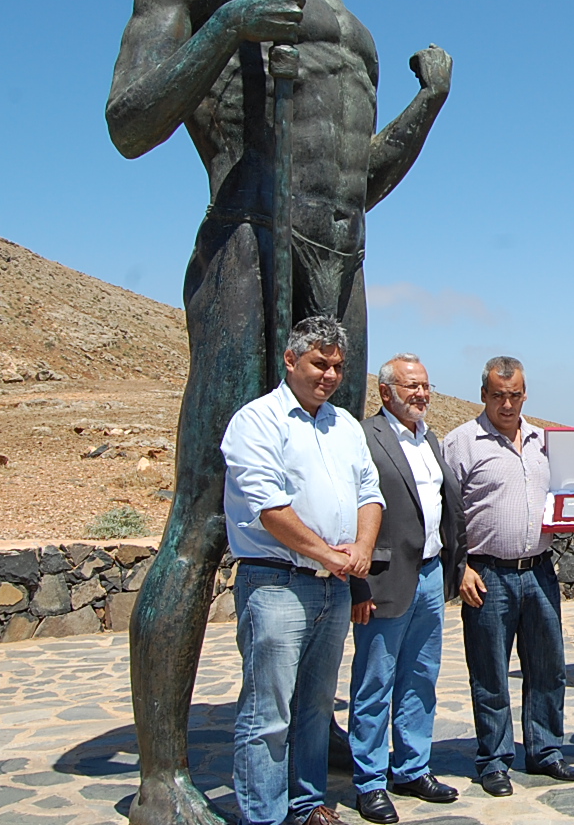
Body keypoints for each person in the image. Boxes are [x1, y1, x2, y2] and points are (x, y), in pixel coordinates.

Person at [106, 0, 450, 820]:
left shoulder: (355, 29)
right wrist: (229, 29)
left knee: (334, 511)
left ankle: (310, 726)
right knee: (206, 508)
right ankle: (162, 770)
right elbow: (129, 121)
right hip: (248, 246)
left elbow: (361, 180)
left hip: (341, 262)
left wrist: (427, 105)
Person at [220, 316, 384, 825]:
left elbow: (369, 492)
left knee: (315, 708)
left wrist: (362, 546)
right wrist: (327, 554)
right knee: (267, 713)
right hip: (276, 585)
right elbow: (270, 508)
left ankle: (306, 804)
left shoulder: (345, 425)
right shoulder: (257, 421)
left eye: (337, 366)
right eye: (319, 364)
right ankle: (263, 816)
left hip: (332, 588)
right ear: (290, 360)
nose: (330, 375)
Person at [442, 357, 574, 796]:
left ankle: (546, 751)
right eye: (498, 396)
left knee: (548, 668)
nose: (507, 404)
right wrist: (460, 568)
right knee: (490, 673)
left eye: (515, 395)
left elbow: (570, 494)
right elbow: (447, 514)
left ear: (525, 395)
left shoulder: (543, 442)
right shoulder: (460, 443)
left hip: (539, 571)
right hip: (487, 574)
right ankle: (495, 760)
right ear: (483, 395)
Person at [346, 354, 467, 823]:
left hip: (430, 574)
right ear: (385, 392)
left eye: (425, 386)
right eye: (411, 386)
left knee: (420, 676)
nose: (421, 394)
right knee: (375, 681)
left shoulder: (429, 438)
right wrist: (357, 586)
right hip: (383, 579)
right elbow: (351, 510)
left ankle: (412, 768)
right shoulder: (364, 437)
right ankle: (370, 781)